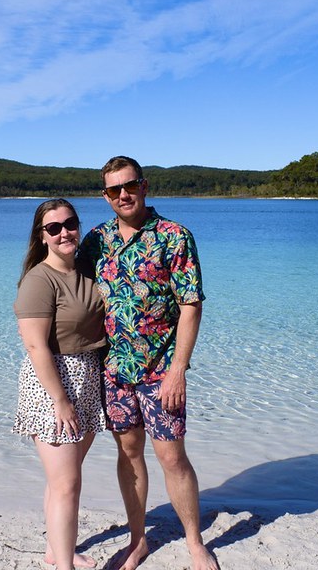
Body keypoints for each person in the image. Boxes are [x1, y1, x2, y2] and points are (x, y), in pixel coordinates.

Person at [79, 156, 219, 570]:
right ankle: (138, 540)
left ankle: (195, 542)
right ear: (105, 196)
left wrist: (179, 369)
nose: (123, 195)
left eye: (130, 185)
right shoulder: (96, 240)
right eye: (113, 190)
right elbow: (67, 286)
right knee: (128, 453)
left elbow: (190, 306)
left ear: (144, 186)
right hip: (113, 369)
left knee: (172, 456)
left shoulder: (174, 237)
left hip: (161, 369)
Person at [13, 198, 107, 570]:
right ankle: (63, 565)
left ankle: (56, 551)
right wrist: (60, 400)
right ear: (42, 235)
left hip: (86, 378)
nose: (64, 231)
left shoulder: (85, 269)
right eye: (54, 227)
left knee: (61, 480)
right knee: (68, 484)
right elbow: (35, 346)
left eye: (69, 223)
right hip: (52, 384)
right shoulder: (40, 279)